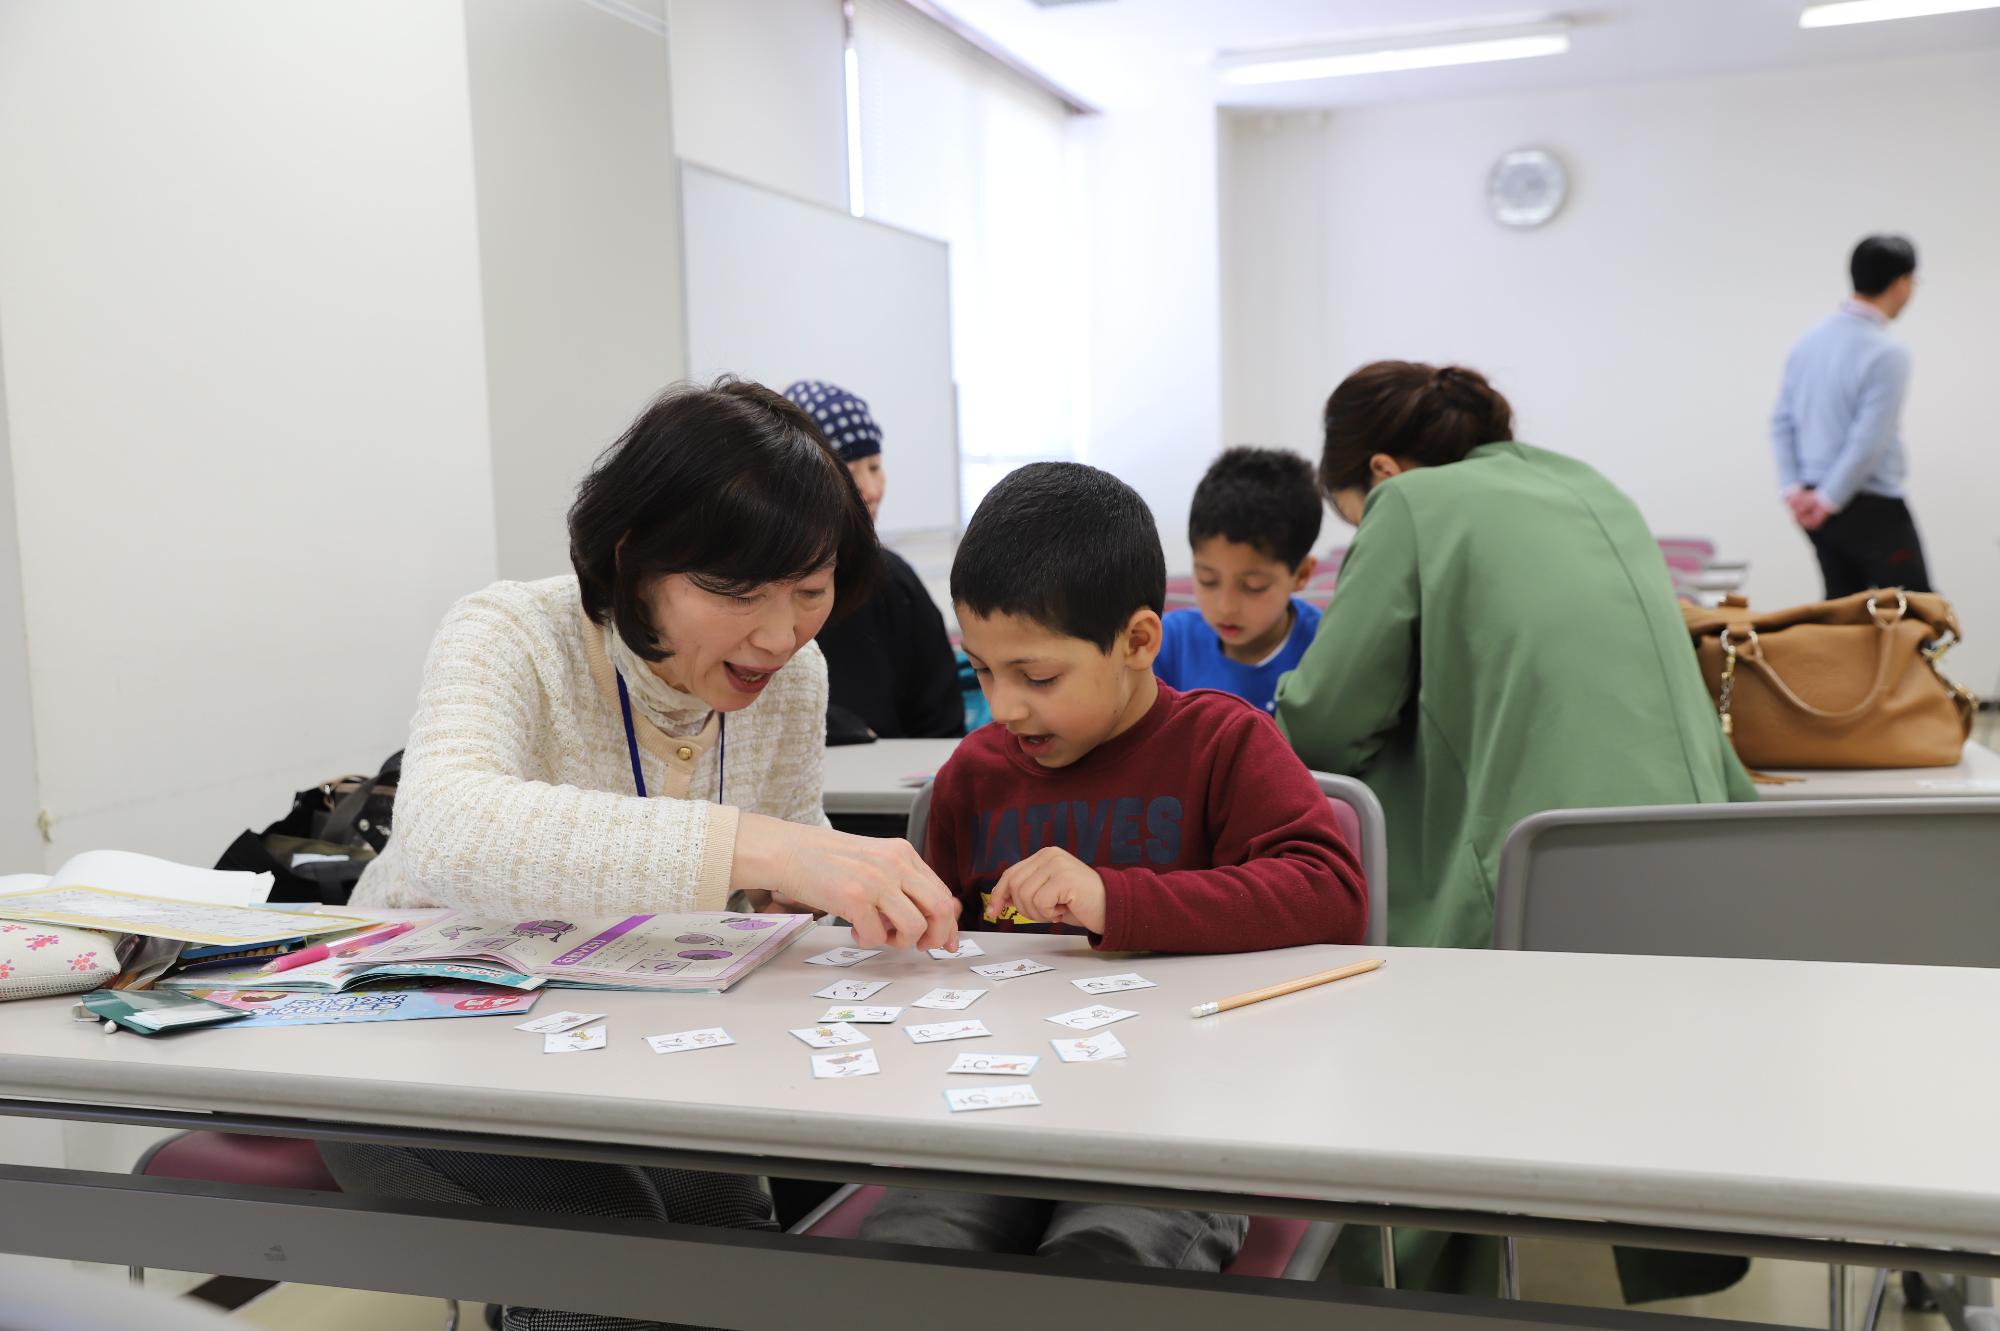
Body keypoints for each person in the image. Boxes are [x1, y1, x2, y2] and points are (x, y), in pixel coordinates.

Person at [324, 378, 960, 1331]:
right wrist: (762, 846)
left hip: (628, 1037)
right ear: (632, 561)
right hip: (412, 1031)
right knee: (606, 1257)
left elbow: (771, 887)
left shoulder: (793, 678)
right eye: (736, 591)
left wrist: (808, 904)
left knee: (731, 1226)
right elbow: (448, 824)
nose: (779, 634)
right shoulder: (511, 634)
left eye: (811, 590)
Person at [1273, 361, 1754, 1300]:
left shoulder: (1413, 508)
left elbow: (1323, 723)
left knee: (1371, 958)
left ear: (1382, 470)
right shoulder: (1591, 485)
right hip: (1713, 876)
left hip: (1546, 899)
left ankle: (1402, 1277)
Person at [857, 461, 1367, 1270]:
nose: (1006, 705)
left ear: (1137, 641)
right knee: (908, 1250)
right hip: (996, 1108)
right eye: (985, 671)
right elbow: (932, 941)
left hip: (1182, 1115)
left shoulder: (1223, 745)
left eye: (1038, 675)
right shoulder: (975, 775)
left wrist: (1115, 898)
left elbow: (1331, 890)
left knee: (1104, 1260)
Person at [781, 380, 963, 740]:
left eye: (875, 466)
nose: (872, 489)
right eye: (851, 471)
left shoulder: (895, 582)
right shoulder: (761, 585)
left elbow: (942, 725)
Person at [1772, 234, 1931, 598]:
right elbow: (1868, 439)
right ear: (1902, 282)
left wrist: (1793, 489)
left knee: (1843, 618)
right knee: (1921, 614)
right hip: (1867, 502)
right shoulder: (1887, 351)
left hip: (1813, 501)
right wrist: (1829, 500)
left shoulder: (1809, 341)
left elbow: (1781, 422)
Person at [1154, 446, 1325, 714]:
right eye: (1207, 579)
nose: (1226, 606)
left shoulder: (1324, 650)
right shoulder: (1167, 644)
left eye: (1253, 586)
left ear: (1302, 574)